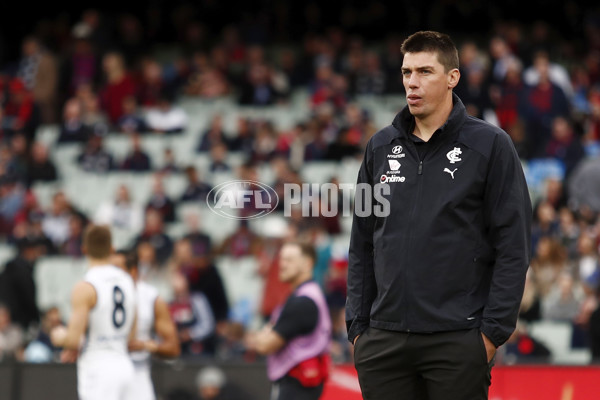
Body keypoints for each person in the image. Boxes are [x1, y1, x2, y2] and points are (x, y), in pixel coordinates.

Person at [346, 31, 532, 400]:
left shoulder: (491, 145)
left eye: (425, 71)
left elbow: (514, 246)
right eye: (406, 72)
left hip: (457, 342)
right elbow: (362, 242)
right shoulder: (379, 147)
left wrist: (490, 335)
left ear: (452, 78)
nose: (412, 82)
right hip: (383, 343)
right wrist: (359, 330)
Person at [50, 224, 137, 400]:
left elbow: (73, 340)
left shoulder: (86, 286)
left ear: (84, 249)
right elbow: (131, 336)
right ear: (112, 249)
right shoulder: (128, 280)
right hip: (125, 366)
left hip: (98, 368)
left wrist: (58, 334)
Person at [247, 241, 331, 400]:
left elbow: (265, 345)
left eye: (290, 260)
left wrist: (260, 335)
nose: (282, 265)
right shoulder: (306, 294)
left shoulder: (303, 301)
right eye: (281, 259)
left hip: (297, 384)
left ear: (308, 264)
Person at [112, 250, 180, 400]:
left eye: (117, 269)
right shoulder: (98, 293)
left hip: (138, 372)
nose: (111, 275)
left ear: (133, 271)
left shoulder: (150, 297)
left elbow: (173, 348)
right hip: (107, 370)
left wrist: (146, 345)